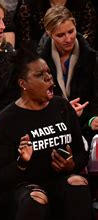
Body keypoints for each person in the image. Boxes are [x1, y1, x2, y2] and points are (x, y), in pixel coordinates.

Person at [0, 48, 94, 220]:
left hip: (59, 182)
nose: (49, 79)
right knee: (37, 198)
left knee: (79, 183)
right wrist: (22, 163)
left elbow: (81, 154)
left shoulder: (61, 107)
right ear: (23, 84)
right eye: (41, 75)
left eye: (49, 73)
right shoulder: (7, 121)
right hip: (22, 188)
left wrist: (71, 165)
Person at [38, 6, 98, 142]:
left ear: (76, 25)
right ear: (49, 33)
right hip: (52, 130)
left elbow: (96, 98)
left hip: (86, 129)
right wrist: (64, 110)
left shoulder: (92, 59)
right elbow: (38, 101)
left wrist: (92, 118)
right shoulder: (39, 63)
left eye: (71, 31)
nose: (68, 39)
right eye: (60, 35)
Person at [14, 0, 96, 50]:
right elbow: (26, 45)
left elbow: (88, 42)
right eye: (60, 35)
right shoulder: (28, 6)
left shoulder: (84, 4)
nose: (67, 39)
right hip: (39, 58)